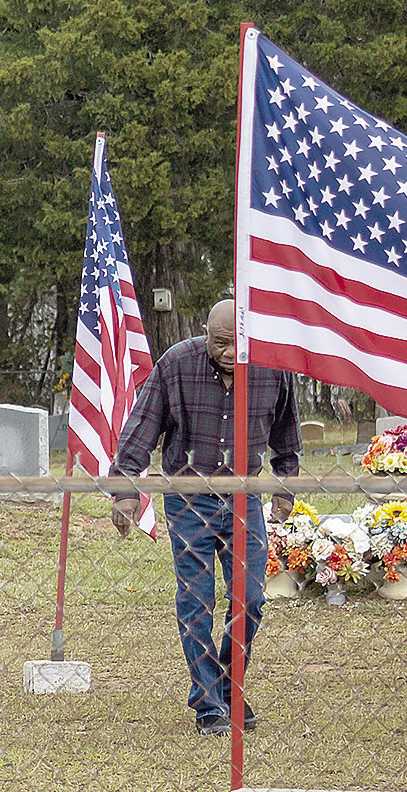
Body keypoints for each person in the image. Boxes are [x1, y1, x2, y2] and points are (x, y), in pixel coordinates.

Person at [108, 298, 299, 737]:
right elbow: (141, 429)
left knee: (249, 597)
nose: (230, 352)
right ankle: (209, 703)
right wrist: (124, 493)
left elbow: (287, 434)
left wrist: (286, 486)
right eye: (219, 343)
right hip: (188, 496)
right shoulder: (176, 364)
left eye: (238, 344)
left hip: (244, 496)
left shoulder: (272, 368)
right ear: (204, 333)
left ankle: (228, 687)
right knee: (197, 601)